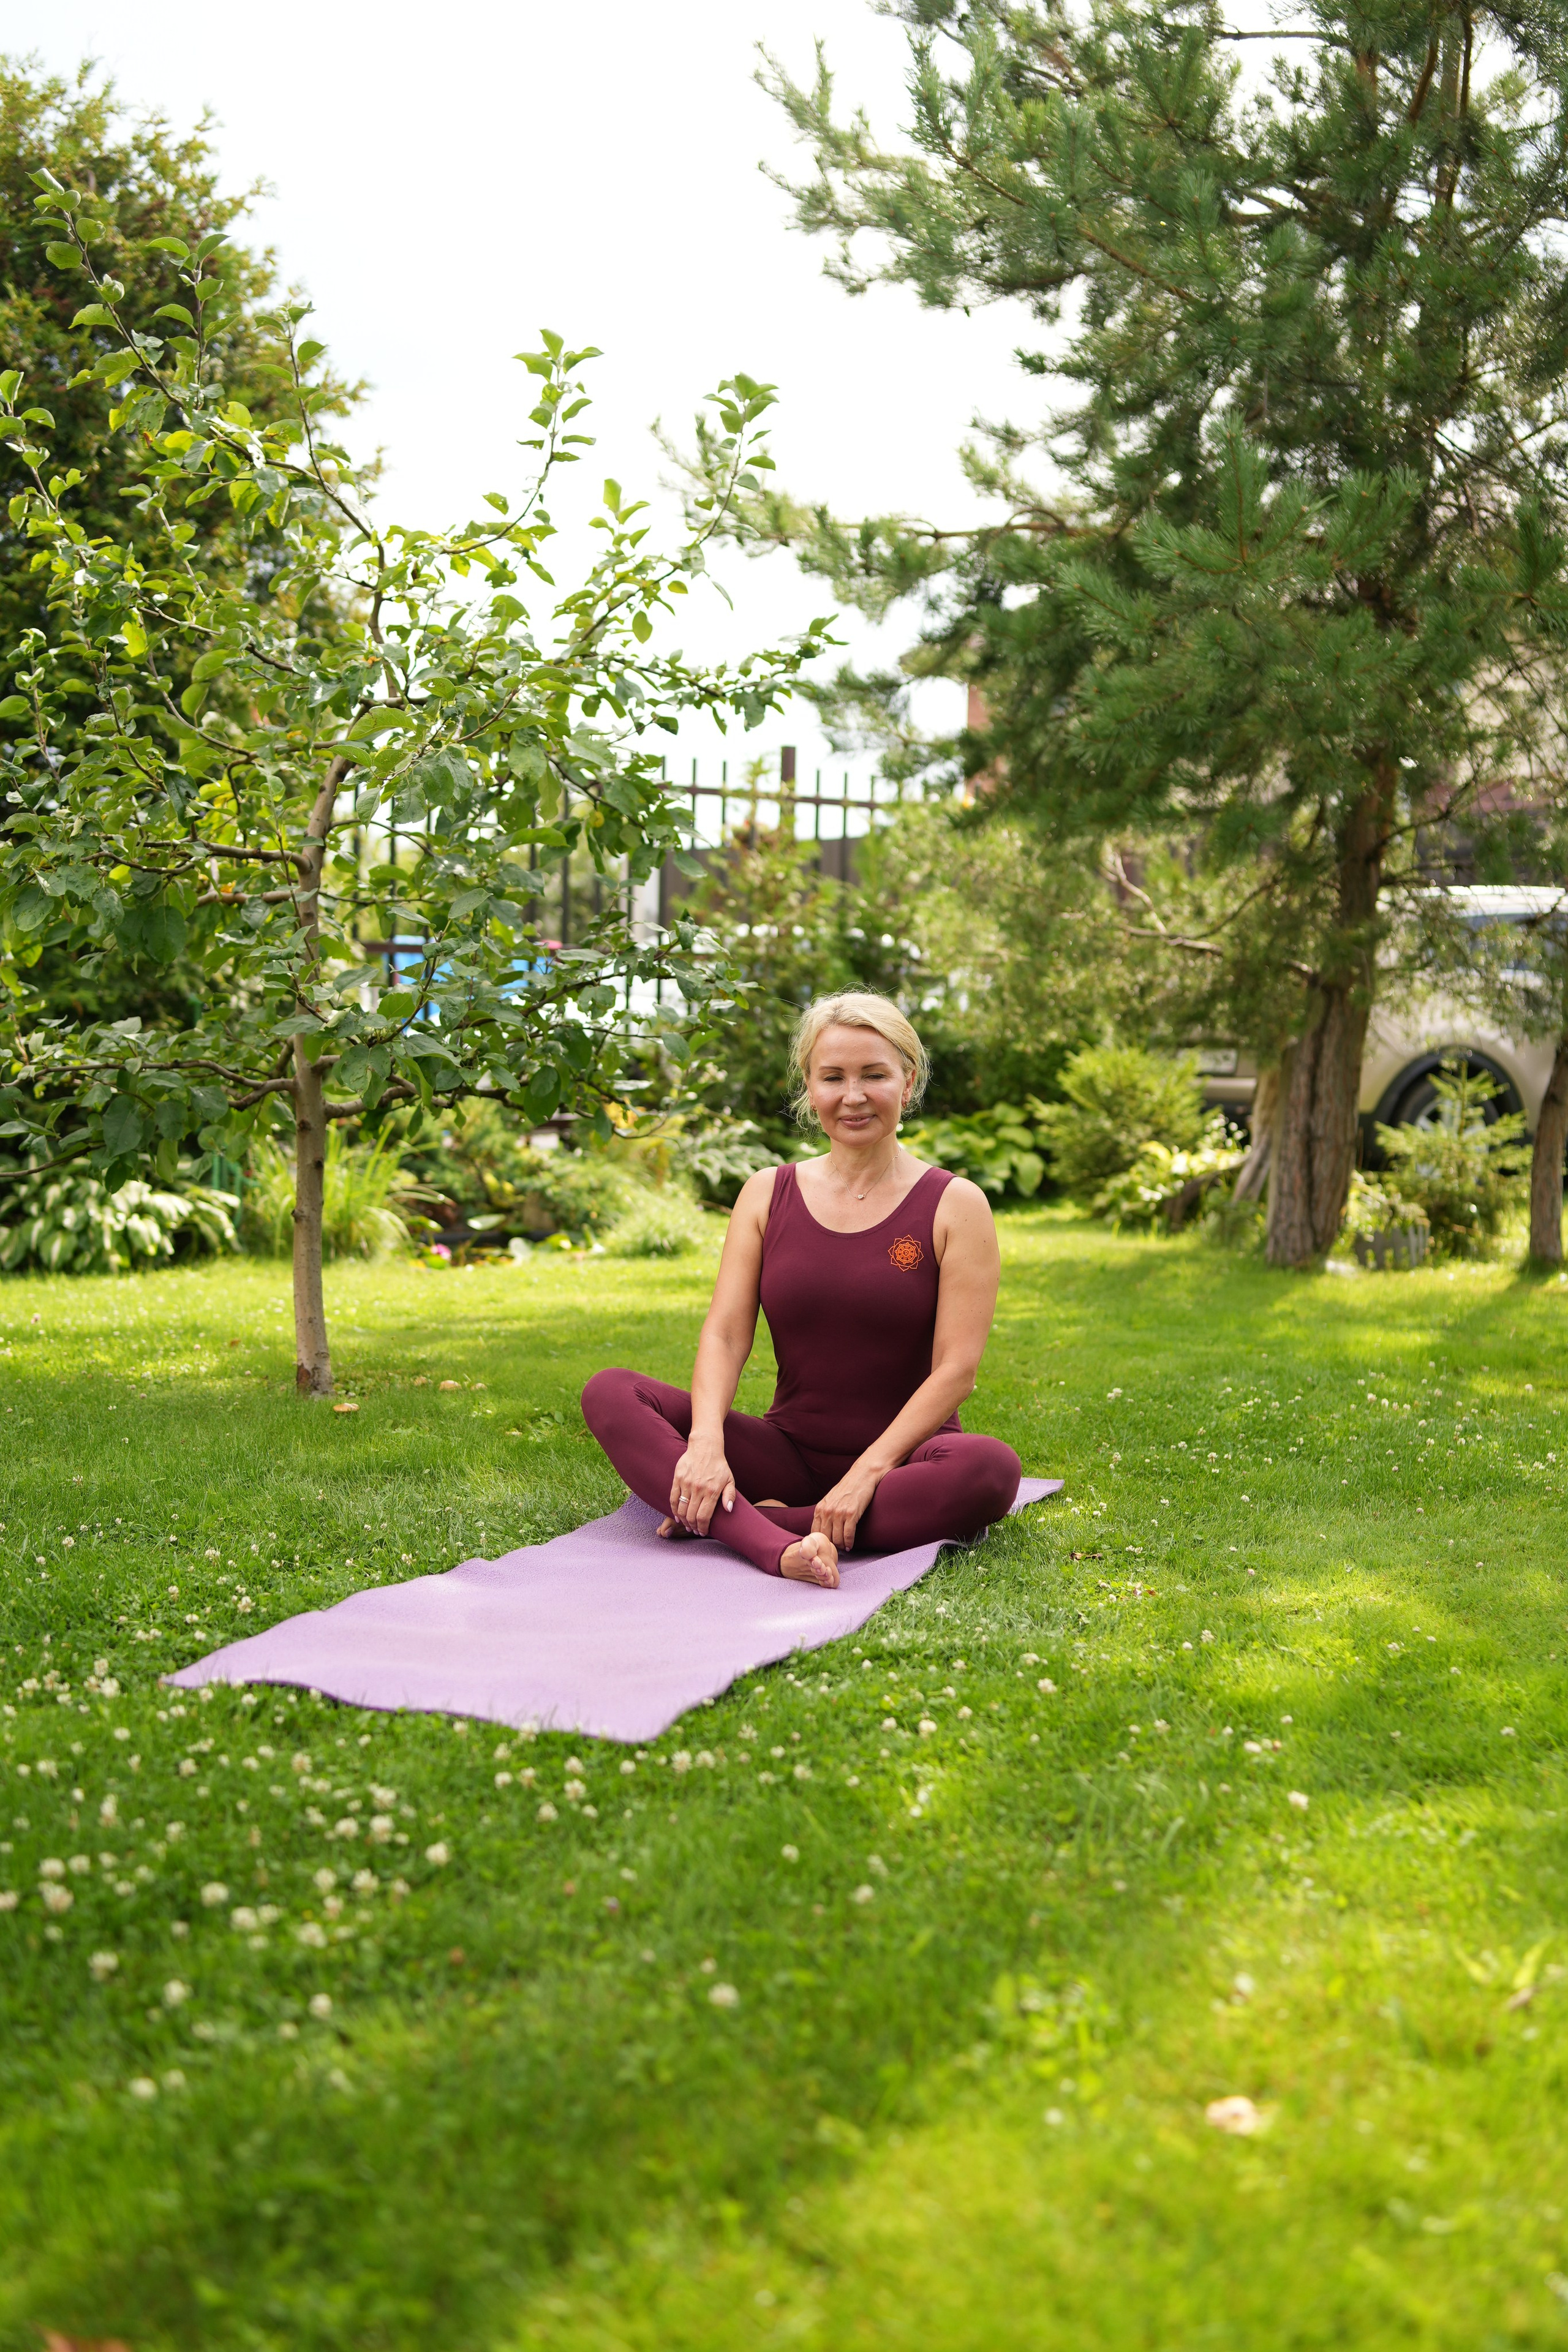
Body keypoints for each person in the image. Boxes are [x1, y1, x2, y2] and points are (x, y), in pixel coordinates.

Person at [581, 992, 1022, 1588]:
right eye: (832, 1077)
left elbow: (956, 1371)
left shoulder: (954, 1203)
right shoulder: (767, 1193)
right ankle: (769, 1542)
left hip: (904, 1464)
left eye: (874, 1075)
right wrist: (707, 1444)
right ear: (810, 1088)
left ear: (908, 1081)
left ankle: (746, 1522)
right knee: (611, 1392)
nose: (853, 1096)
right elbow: (727, 1331)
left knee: (991, 1470)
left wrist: (866, 1474)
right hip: (788, 1455)